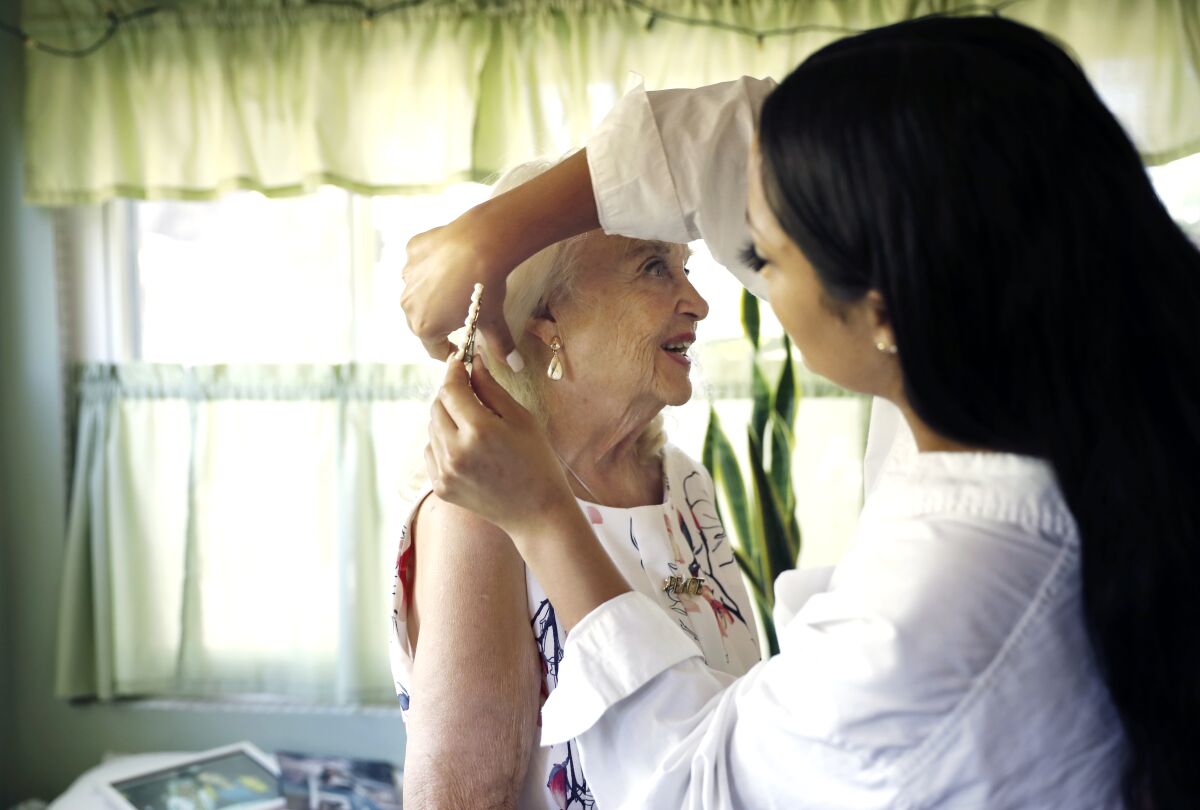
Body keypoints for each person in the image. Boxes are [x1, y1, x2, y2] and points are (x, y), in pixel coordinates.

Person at [406, 15, 1200, 810]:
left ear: (885, 307)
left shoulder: (940, 598)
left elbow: (701, 786)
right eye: (658, 266)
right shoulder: (1102, 418)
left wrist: (546, 515)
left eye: (764, 256)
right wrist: (490, 235)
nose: (719, 293)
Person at [391, 161, 761, 809]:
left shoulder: (683, 485)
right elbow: (465, 798)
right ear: (545, 315)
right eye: (653, 267)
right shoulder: (478, 507)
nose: (698, 303)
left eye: (686, 267)